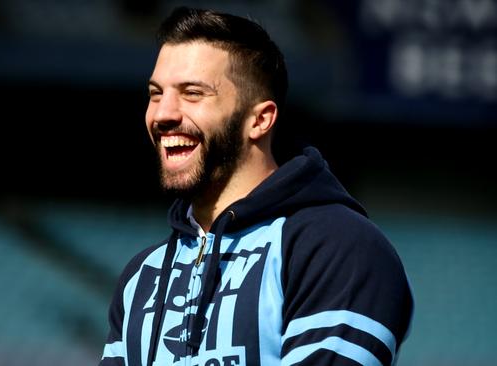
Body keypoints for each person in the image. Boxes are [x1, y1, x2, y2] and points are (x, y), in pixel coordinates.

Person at [100, 6, 413, 366]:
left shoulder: (338, 247)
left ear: (260, 119)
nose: (163, 114)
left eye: (192, 93)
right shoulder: (143, 275)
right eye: (156, 94)